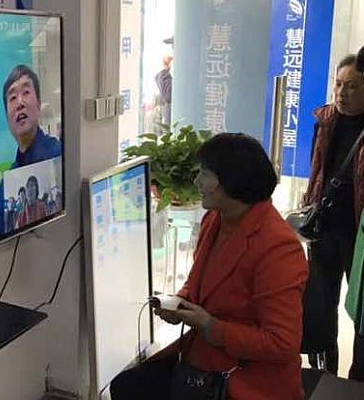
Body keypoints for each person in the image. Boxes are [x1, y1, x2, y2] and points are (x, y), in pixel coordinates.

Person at [110, 133, 308, 400]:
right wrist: (179, 303)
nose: (196, 182)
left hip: (247, 378)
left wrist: (212, 327)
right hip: (205, 358)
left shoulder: (277, 248)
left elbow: (281, 343)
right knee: (126, 386)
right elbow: (199, 282)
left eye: (204, 174)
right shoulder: (214, 220)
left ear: (231, 181)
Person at [303, 53, 364, 379]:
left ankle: (357, 378)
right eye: (338, 84)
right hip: (324, 227)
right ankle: (325, 372)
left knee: (359, 310)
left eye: (352, 86)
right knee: (321, 306)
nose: (342, 93)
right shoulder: (325, 122)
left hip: (358, 235)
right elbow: (317, 172)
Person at [0, 64, 61, 245]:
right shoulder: (10, 181)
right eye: (12, 98)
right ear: (7, 118)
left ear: (38, 105)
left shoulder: (60, 156)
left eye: (26, 92)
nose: (19, 103)